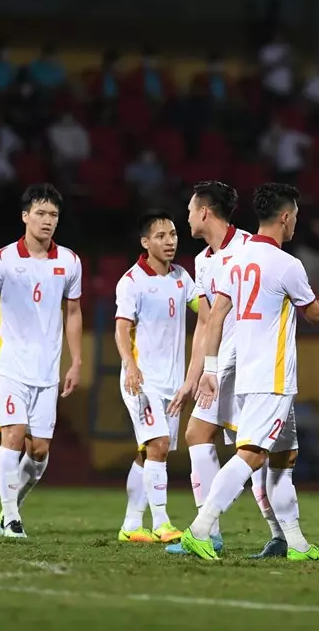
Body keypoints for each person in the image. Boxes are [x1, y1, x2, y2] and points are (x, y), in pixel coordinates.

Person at [180, 182, 319, 561]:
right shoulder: (287, 264)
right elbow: (315, 313)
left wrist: (212, 369)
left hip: (249, 375)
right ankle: (201, 528)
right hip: (273, 376)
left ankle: (296, 544)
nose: (296, 222)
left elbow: (215, 317)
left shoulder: (236, 260)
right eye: (296, 216)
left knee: (285, 458)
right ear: (285, 217)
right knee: (252, 454)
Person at [0, 184, 83, 539]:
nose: (47, 220)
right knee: (13, 434)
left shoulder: (70, 262)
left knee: (39, 452)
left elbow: (73, 313)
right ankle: (11, 519)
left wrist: (76, 361)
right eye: (40, 213)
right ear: (25, 216)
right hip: (10, 364)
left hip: (48, 369)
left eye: (53, 215)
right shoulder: (2, 260)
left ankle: (9, 511)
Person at [162, 182, 255, 556]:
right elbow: (204, 322)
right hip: (218, 362)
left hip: (249, 361)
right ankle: (208, 531)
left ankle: (283, 533)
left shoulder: (250, 248)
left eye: (189, 210)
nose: (186, 217)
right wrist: (192, 378)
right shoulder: (202, 261)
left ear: (204, 212)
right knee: (198, 434)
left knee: (257, 451)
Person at [114, 209, 197, 544]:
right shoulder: (132, 281)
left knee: (148, 452)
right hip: (142, 381)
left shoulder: (182, 277)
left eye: (173, 234)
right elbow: (122, 329)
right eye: (161, 236)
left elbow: (206, 312)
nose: (169, 241)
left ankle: (131, 525)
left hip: (172, 384)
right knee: (159, 445)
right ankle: (162, 522)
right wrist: (130, 365)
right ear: (145, 242)